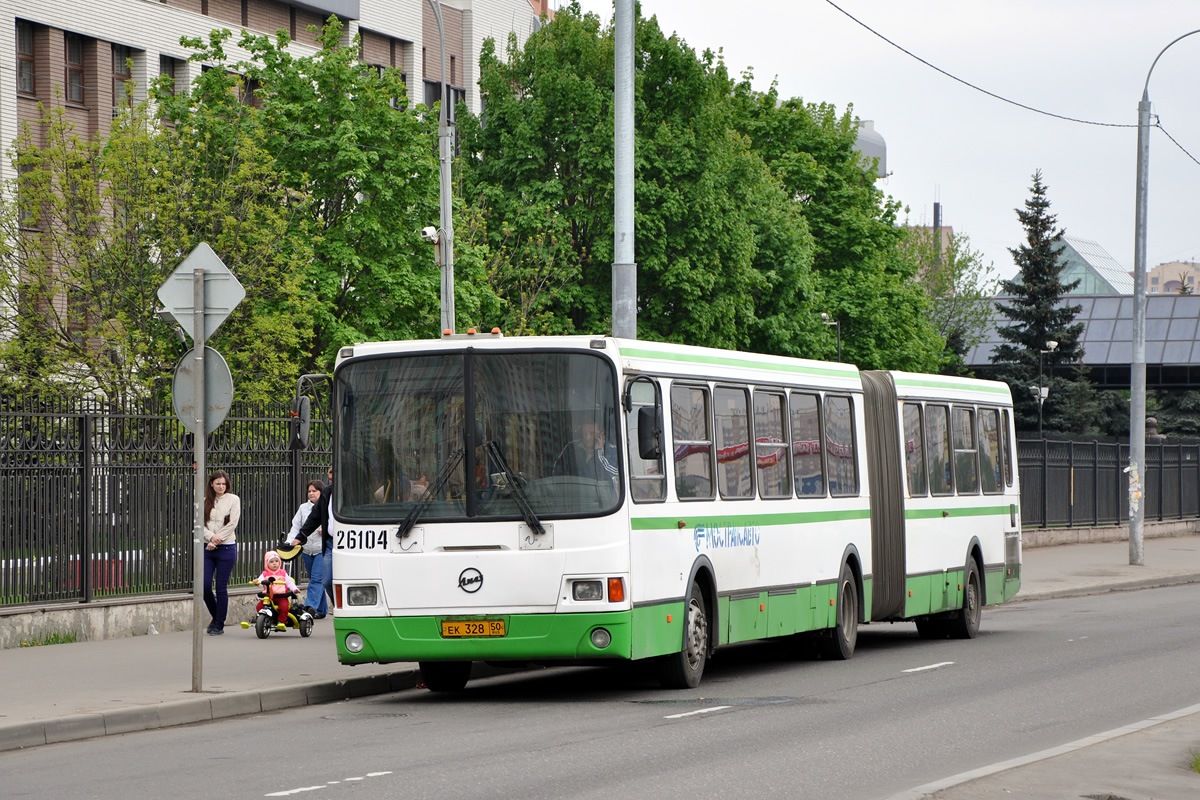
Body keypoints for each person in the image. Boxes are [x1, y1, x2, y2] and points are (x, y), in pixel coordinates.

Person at [290, 469, 333, 615]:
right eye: (309, 491)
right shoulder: (303, 508)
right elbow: (298, 525)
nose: (311, 493)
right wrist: (293, 540)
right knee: (317, 580)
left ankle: (308, 608)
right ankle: (321, 610)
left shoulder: (330, 501)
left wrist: (325, 530)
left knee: (317, 579)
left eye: (314, 491)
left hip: (322, 548)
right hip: (308, 550)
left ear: (321, 491)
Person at [202, 469, 240, 635]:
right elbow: (199, 525)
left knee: (221, 587)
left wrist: (217, 539)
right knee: (204, 586)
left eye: (223, 483)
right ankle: (216, 616)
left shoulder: (233, 499)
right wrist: (211, 538)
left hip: (226, 547)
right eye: (218, 483)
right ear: (211, 484)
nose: (221, 486)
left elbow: (232, 523)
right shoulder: (204, 501)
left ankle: (219, 624)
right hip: (207, 548)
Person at [553, 422, 619, 481]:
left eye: (592, 433)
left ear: (601, 433)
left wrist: (599, 452)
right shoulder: (571, 447)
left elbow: (616, 472)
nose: (587, 437)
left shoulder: (612, 450)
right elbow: (556, 470)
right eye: (585, 433)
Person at [253, 550, 300, 623]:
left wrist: (295, 589)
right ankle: (265, 619)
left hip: (281, 596)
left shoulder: (283, 573)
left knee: (284, 607)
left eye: (276, 561)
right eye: (271, 562)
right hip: (268, 596)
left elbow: (289, 583)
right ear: (267, 563)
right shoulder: (265, 574)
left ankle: (281, 622)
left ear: (279, 562)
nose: (274, 563)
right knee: (259, 606)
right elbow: (260, 582)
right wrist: (256, 582)